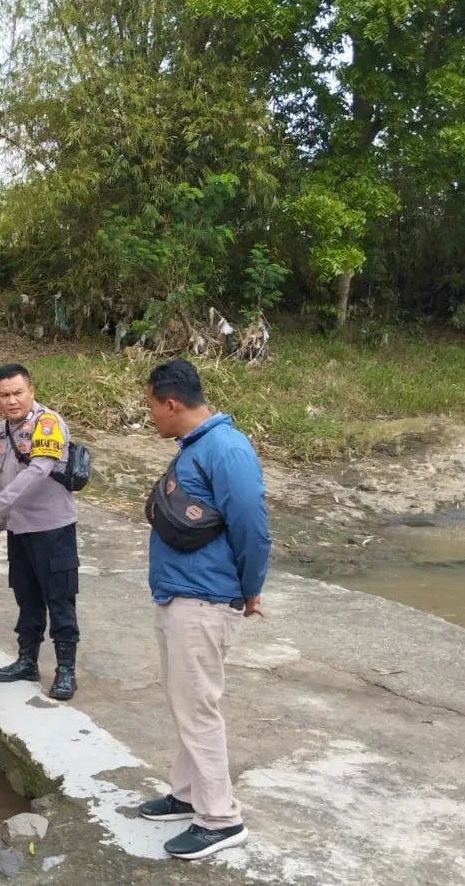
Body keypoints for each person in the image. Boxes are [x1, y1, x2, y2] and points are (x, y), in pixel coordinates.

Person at [135, 358, 270, 861]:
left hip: (204, 600)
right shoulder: (197, 446)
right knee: (185, 702)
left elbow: (252, 527)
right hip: (181, 595)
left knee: (198, 708)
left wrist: (250, 589)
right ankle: (187, 793)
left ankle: (220, 818)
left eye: (151, 406)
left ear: (171, 404)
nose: (150, 415)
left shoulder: (225, 448)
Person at [0, 363, 81, 701]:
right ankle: (27, 661)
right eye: (4, 395)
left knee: (59, 598)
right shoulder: (5, 430)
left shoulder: (48, 424)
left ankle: (65, 671)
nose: (12, 400)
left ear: (31, 391)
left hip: (53, 528)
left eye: (18, 392)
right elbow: (6, 478)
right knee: (26, 596)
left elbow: (38, 471)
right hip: (20, 529)